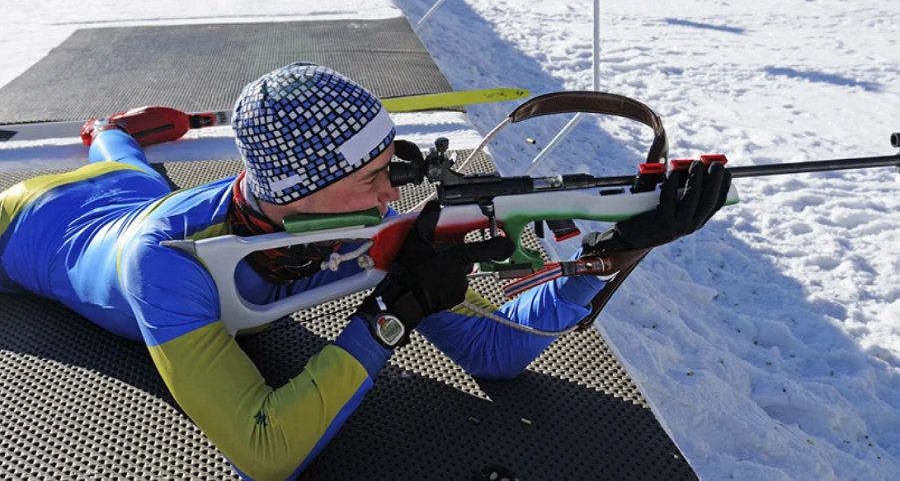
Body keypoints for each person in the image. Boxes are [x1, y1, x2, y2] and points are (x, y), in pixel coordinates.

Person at [0, 63, 730, 481]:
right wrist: (388, 320)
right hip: (29, 220)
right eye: (374, 175)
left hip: (130, 187)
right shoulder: (165, 264)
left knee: (123, 157)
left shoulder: (348, 225)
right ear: (295, 187)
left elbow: (497, 353)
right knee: (110, 181)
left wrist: (619, 249)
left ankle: (109, 134)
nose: (393, 197)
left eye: (393, 168)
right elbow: (265, 451)